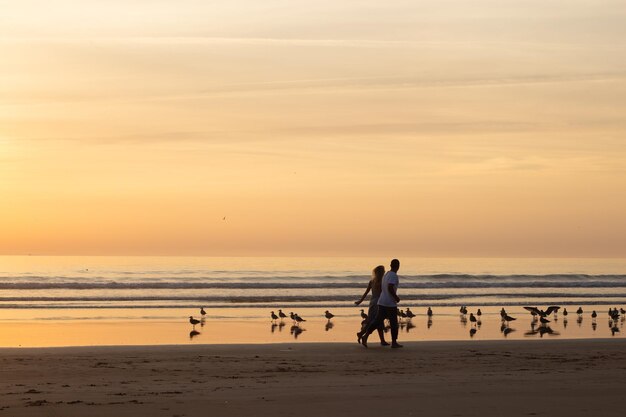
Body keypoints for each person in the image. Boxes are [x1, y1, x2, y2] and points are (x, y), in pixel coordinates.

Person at [359, 259, 402, 348]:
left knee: (377, 321)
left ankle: (365, 336)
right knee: (394, 323)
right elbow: (390, 287)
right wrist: (396, 297)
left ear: (390, 265)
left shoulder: (386, 275)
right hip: (390, 303)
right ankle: (394, 343)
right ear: (398, 266)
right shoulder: (393, 275)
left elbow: (384, 287)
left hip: (381, 302)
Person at [355, 265, 389, 346]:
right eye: (383, 271)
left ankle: (382, 340)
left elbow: (366, 292)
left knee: (376, 321)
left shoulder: (372, 281)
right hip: (379, 302)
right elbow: (385, 293)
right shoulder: (382, 282)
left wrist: (360, 301)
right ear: (381, 273)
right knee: (376, 321)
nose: (384, 272)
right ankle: (362, 333)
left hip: (372, 302)